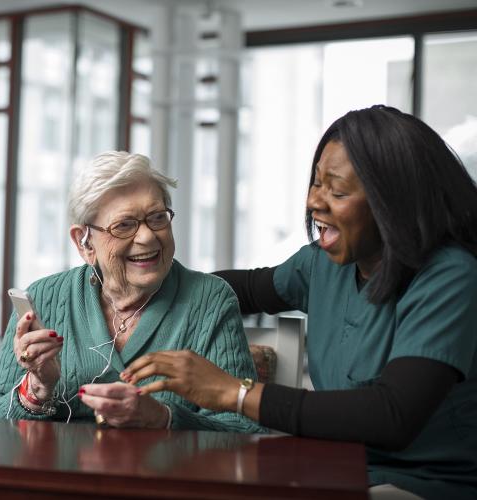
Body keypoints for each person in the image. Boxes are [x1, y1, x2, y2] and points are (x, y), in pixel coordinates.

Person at [123, 106, 477, 499]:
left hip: (428, 486)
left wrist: (233, 392)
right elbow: (243, 288)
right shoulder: (322, 265)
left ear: (392, 200)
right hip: (338, 472)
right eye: (316, 184)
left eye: (337, 191)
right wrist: (129, 286)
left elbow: (392, 415)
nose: (313, 202)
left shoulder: (450, 276)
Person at [0, 151, 262, 432]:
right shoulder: (45, 298)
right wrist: (37, 390)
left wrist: (162, 419)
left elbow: (244, 430)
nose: (148, 236)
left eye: (158, 218)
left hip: (162, 477)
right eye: (124, 225)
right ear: (84, 243)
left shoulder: (209, 300)